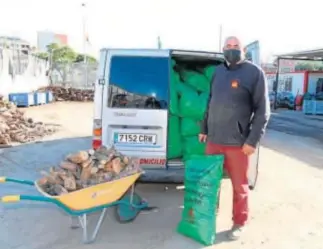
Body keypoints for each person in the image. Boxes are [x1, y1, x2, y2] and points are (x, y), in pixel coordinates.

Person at [199, 36, 270, 240]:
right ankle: (207, 218)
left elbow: (262, 111)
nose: (231, 49)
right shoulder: (218, 72)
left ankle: (239, 222)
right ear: (223, 50)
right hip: (214, 139)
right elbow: (210, 101)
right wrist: (204, 128)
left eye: (235, 46)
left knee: (240, 187)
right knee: (209, 183)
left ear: (243, 50)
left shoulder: (254, 73)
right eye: (228, 46)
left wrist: (252, 140)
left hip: (238, 143)